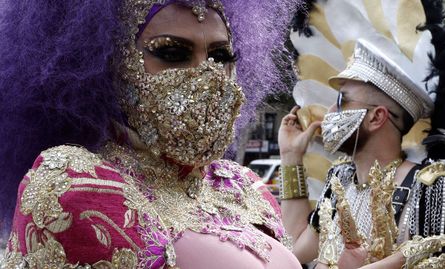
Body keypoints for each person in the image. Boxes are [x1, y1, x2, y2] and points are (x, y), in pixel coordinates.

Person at [0, 1, 303, 268]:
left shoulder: (243, 187)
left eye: (221, 56)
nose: (209, 75)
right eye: (172, 53)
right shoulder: (78, 184)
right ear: (113, 66)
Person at [280, 0, 445, 268]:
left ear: (376, 117)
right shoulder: (340, 180)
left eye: (342, 100)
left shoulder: (436, 189)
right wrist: (291, 156)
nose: (330, 111)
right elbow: (293, 250)